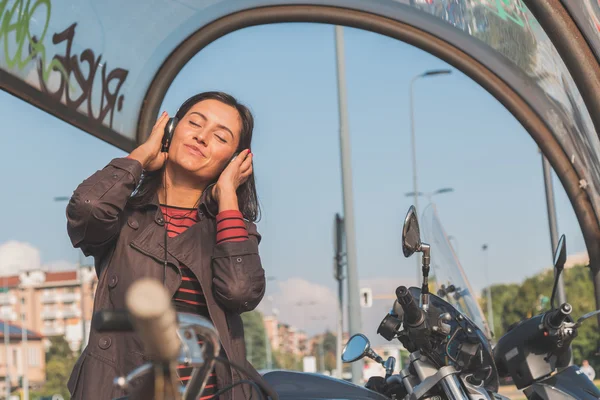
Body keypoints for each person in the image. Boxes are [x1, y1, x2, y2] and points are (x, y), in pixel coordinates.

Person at [65, 91, 276, 400]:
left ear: (234, 160)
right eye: (195, 123)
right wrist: (140, 156)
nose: (202, 138)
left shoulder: (228, 228)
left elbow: (240, 291)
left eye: (220, 137)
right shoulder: (123, 218)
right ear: (170, 128)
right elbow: (87, 209)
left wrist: (228, 195)